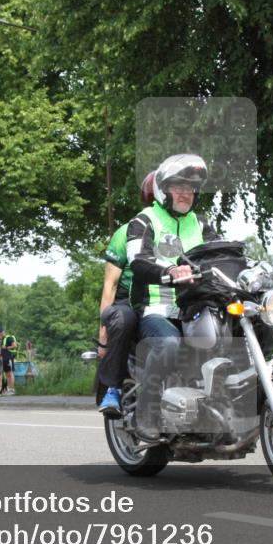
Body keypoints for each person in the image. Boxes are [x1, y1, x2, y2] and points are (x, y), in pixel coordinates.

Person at [127, 154, 219, 442]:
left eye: (190, 189)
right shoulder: (145, 220)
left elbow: (221, 256)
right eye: (179, 187)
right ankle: (147, 412)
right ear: (163, 190)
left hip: (196, 308)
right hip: (157, 309)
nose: (185, 193)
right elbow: (137, 261)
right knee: (168, 344)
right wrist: (168, 269)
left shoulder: (202, 224)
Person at [96, 171, 155, 418]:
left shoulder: (187, 228)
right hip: (131, 301)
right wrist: (103, 334)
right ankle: (112, 388)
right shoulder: (127, 231)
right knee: (122, 319)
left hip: (171, 299)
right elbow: (110, 284)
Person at [0, 328, 17, 395]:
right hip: (4, 359)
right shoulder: (2, 340)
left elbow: (14, 346)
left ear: (1, 333)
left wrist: (7, 347)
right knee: (7, 374)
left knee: (10, 373)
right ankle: (8, 389)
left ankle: (12, 389)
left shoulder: (9, 338)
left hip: (9, 358)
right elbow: (0, 349)